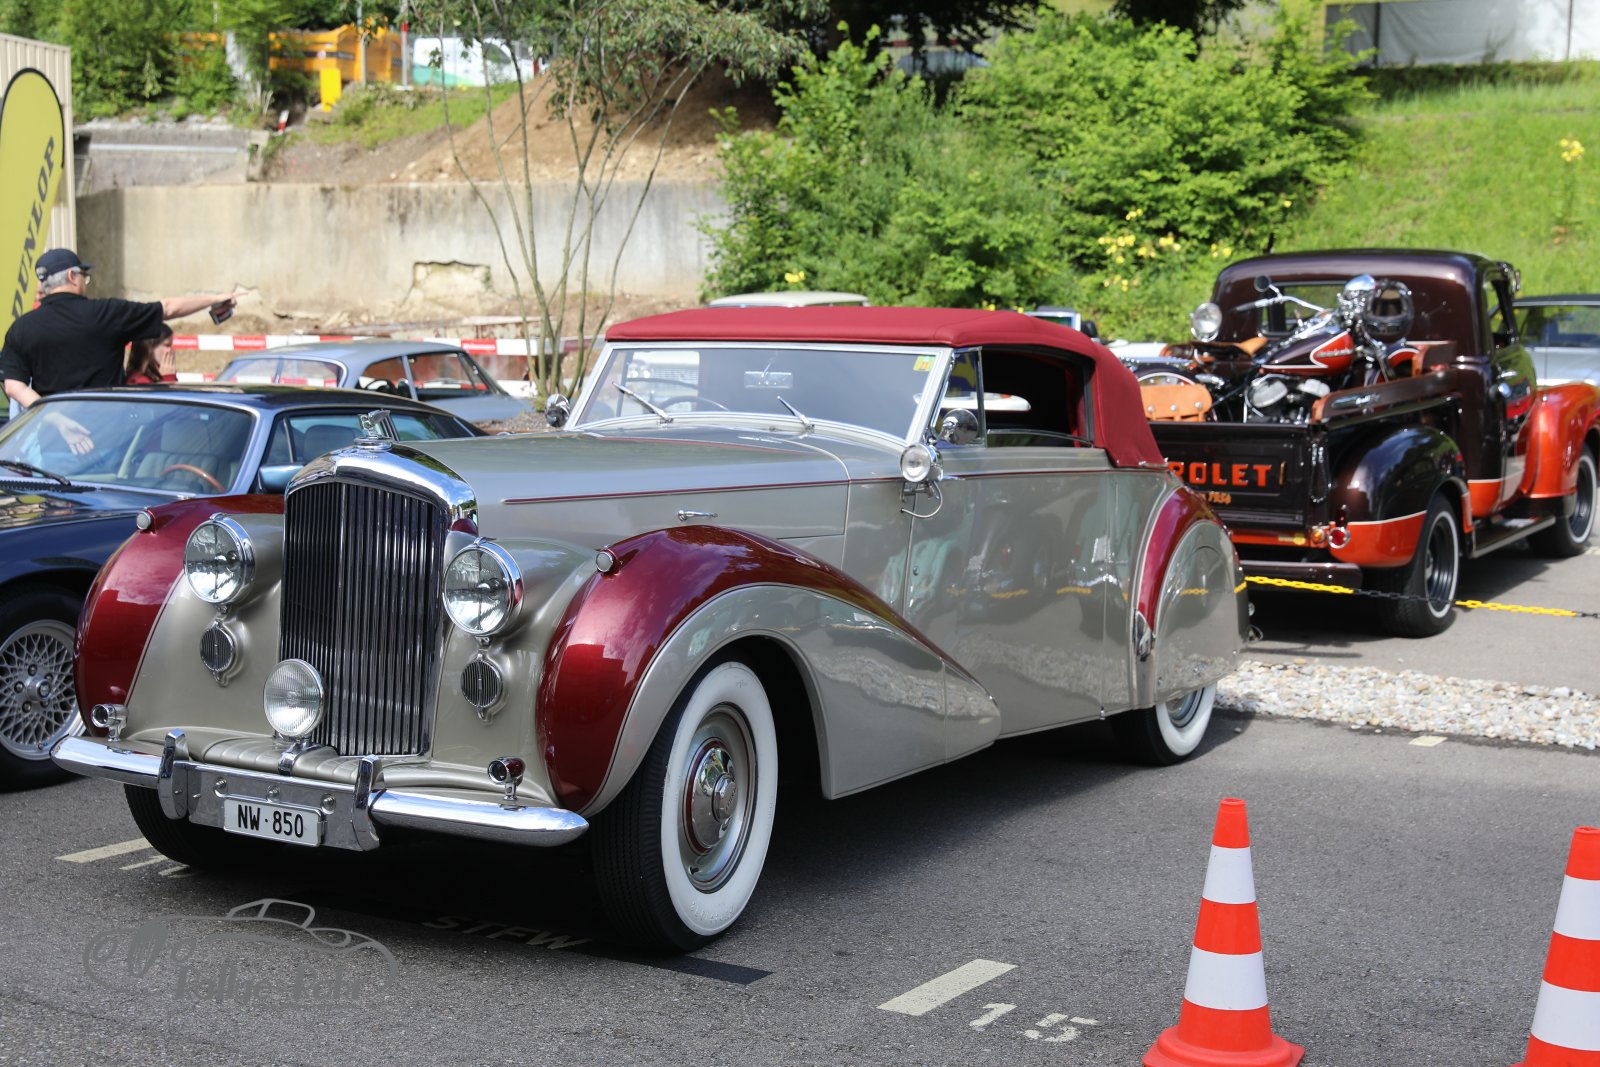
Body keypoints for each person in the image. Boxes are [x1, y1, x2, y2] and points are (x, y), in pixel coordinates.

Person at [0, 248, 234, 410]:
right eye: (84, 275)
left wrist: (52, 417)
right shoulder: (107, 313)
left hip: (53, 442)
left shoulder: (21, 328)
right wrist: (215, 299)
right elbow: (169, 308)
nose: (85, 281)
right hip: (110, 435)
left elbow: (13, 387)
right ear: (72, 276)